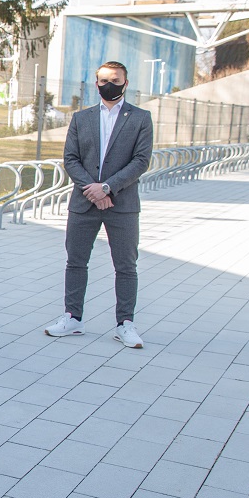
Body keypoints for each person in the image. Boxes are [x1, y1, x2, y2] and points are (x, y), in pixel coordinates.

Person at [44, 60, 154, 348]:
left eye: (116, 80)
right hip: (83, 202)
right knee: (76, 261)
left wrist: (107, 187)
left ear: (125, 83)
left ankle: (125, 324)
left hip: (123, 203)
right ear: (96, 84)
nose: (110, 84)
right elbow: (71, 159)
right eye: (104, 80)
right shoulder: (81, 118)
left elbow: (141, 160)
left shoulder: (141, 118)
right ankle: (72, 318)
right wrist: (92, 189)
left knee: (126, 265)